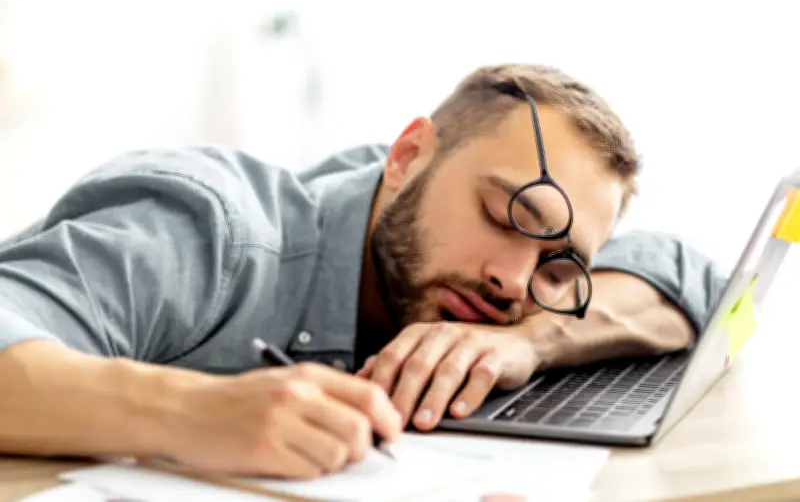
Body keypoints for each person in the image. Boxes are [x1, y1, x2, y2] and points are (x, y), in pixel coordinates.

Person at [0, 64, 726, 479]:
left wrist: (526, 342)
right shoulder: (210, 231)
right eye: (506, 216)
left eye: (556, 265)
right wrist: (188, 411)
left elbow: (689, 275)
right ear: (407, 156)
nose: (513, 281)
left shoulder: (516, 304)